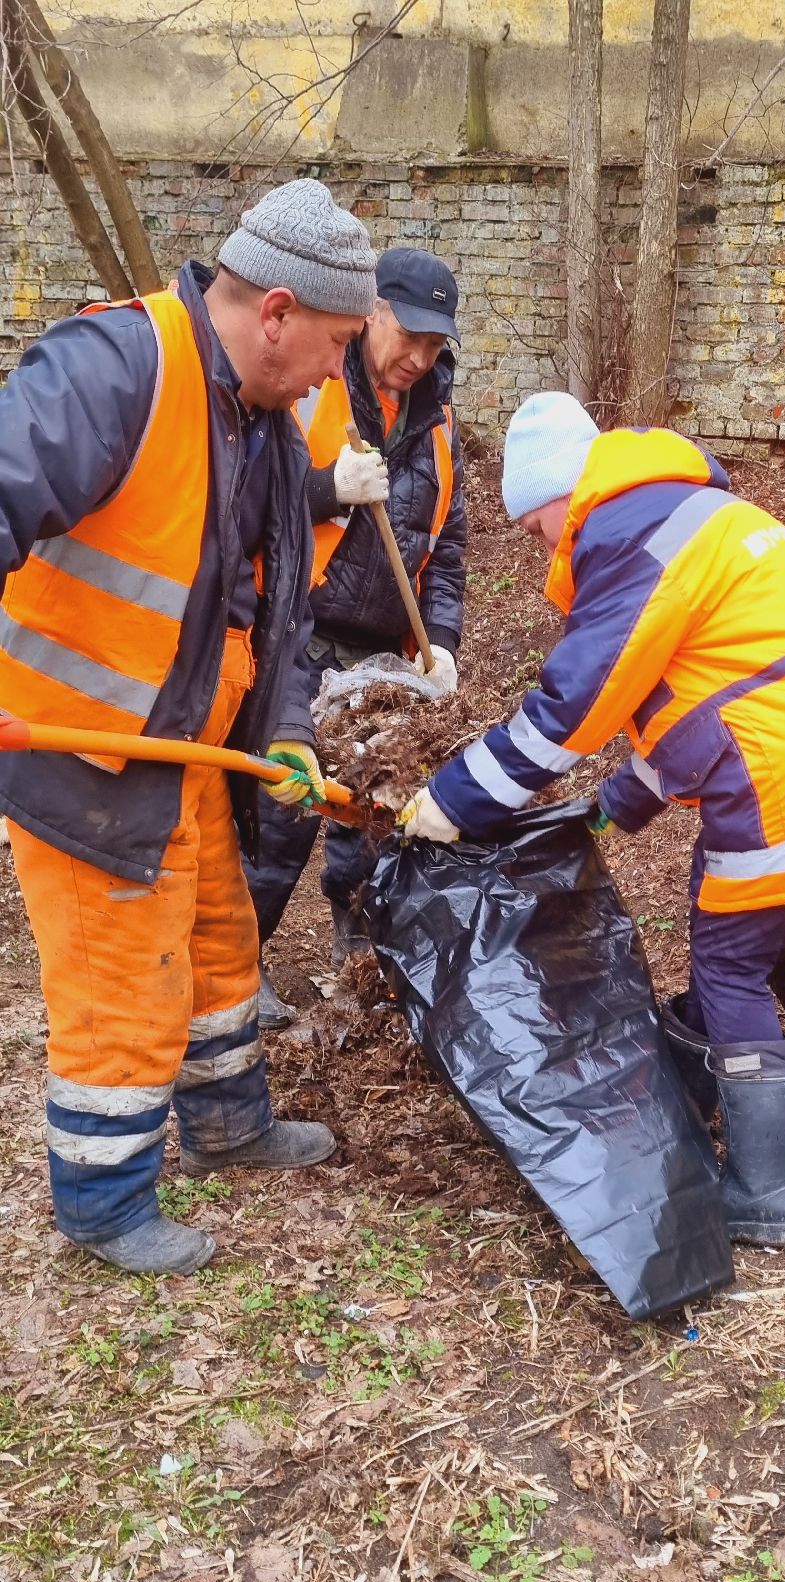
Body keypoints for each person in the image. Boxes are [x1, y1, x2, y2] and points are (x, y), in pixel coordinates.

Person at [398, 391, 785, 1249]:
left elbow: (572, 709)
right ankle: (699, 1097)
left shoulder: (626, 534)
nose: (541, 547)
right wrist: (611, 809)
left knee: (728, 963)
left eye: (535, 528)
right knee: (749, 934)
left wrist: (453, 800)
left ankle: (764, 1195)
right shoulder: (693, 513)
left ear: (560, 497)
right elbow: (701, 700)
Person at [0, 179, 377, 1275]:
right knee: (125, 979)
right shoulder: (118, 367)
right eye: (335, 345)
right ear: (277, 314)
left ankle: (228, 1127)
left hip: (191, 754)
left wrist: (288, 729)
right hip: (86, 757)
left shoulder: (263, 428)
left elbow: (273, 607)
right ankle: (104, 1201)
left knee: (218, 944)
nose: (337, 374)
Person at [249, 247, 467, 1029]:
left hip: (383, 659)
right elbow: (247, 502)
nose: (419, 357)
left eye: (435, 344)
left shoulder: (437, 421)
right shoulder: (311, 387)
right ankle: (234, 966)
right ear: (373, 313)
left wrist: (442, 639)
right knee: (283, 811)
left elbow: (448, 546)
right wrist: (326, 489)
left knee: (373, 814)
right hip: (300, 633)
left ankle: (358, 949)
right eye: (409, 336)